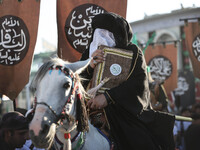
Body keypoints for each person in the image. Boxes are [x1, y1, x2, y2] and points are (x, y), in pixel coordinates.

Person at [80, 12, 175, 150]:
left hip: (123, 116)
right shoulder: (88, 54)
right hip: (88, 115)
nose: (100, 38)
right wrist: (89, 66)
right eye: (98, 33)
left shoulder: (133, 52)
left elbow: (138, 83)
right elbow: (76, 82)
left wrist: (108, 97)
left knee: (140, 141)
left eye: (107, 34)